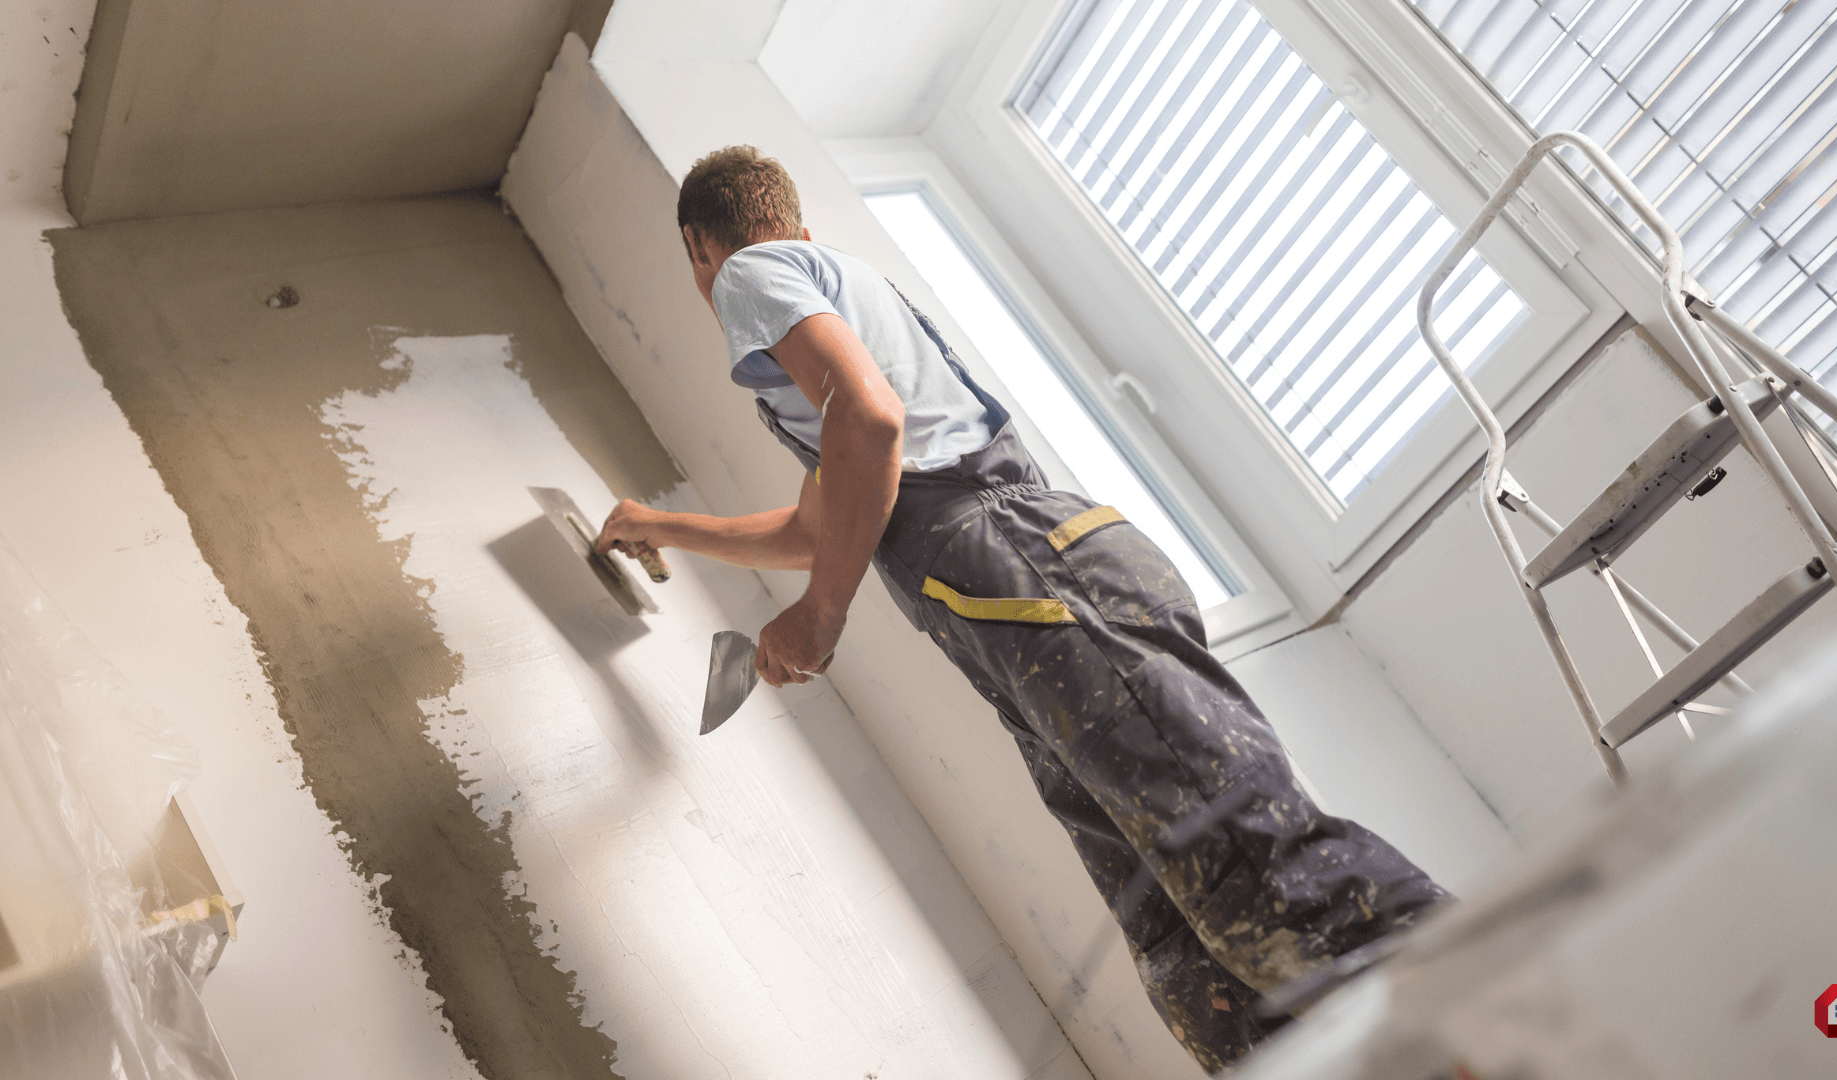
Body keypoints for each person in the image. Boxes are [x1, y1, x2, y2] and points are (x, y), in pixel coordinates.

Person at [596, 145, 1450, 1072]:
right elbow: (821, 520)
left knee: (1248, 865)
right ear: (800, 228)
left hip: (1026, 569)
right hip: (1015, 604)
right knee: (1189, 960)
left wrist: (822, 618)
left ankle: (1511, 1022)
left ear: (701, 243)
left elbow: (871, 425)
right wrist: (665, 526)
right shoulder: (822, 311)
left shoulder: (751, 274)